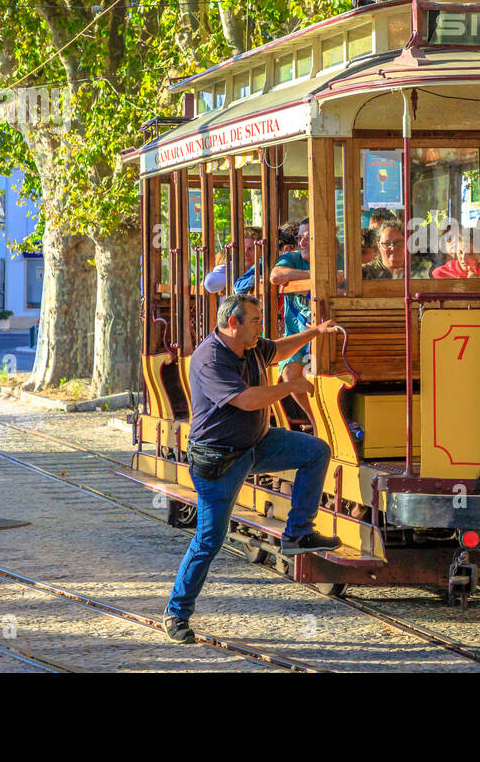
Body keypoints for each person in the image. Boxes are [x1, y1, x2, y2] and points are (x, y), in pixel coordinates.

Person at [163, 294, 341, 643]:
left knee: (315, 452)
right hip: (219, 459)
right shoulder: (209, 358)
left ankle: (298, 532)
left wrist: (315, 332)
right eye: (256, 320)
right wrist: (289, 386)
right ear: (233, 324)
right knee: (209, 540)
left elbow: (279, 347)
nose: (262, 326)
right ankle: (176, 613)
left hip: (257, 444)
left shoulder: (254, 345)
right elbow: (246, 400)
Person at [269, 217, 317, 427]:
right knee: (290, 372)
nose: (303, 243)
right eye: (301, 238)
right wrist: (314, 277)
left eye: (308, 238)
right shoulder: (292, 257)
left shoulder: (337, 258)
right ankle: (315, 420)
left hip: (325, 333)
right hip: (296, 337)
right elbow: (275, 276)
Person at [361, 221, 433, 279]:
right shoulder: (364, 273)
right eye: (387, 243)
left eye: (398, 242)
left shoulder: (421, 271)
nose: (393, 248)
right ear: (379, 246)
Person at [203, 227, 263, 295]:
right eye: (242, 249)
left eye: (250, 249)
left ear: (262, 251)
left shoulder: (265, 268)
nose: (245, 253)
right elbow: (210, 282)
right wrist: (243, 281)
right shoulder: (231, 267)